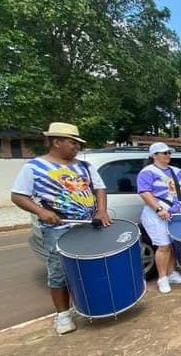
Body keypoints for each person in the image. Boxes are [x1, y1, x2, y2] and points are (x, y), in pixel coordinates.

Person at [11, 122, 112, 334]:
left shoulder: (85, 166)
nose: (76, 147)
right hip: (59, 229)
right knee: (58, 272)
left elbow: (100, 189)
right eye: (72, 142)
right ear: (56, 142)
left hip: (88, 226)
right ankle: (63, 316)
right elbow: (18, 196)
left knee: (87, 268)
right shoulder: (34, 167)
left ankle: (90, 305)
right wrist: (41, 212)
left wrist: (101, 210)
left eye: (77, 143)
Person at [137, 142, 181, 293]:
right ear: (154, 155)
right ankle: (162, 278)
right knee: (163, 246)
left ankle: (172, 272)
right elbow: (144, 192)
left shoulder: (177, 171)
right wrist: (158, 208)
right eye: (164, 153)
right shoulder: (147, 172)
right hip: (156, 215)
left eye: (169, 152)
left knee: (172, 244)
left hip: (175, 213)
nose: (168, 155)